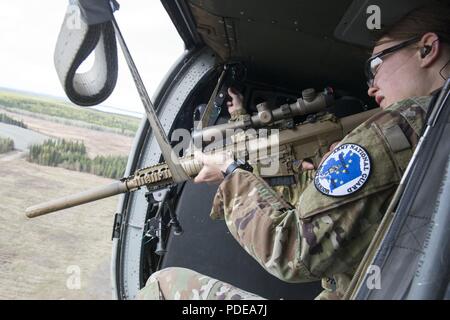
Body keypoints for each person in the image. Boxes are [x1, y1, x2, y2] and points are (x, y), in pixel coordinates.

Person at [137, 3, 450, 300]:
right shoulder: (434, 134)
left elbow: (290, 251)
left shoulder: (398, 127)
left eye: (376, 65)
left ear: (427, 49)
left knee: (163, 287)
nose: (371, 86)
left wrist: (231, 174)